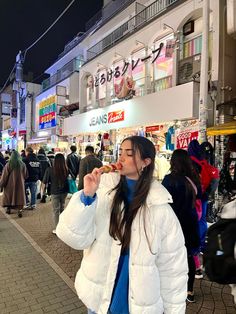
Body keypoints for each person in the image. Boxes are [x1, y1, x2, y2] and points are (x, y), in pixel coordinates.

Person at [56, 136, 188, 314]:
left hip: (138, 304)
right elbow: (73, 238)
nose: (121, 158)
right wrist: (87, 196)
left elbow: (173, 269)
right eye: (120, 152)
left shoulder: (160, 209)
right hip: (99, 299)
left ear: (146, 162)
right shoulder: (103, 192)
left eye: (129, 154)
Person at [162, 149, 201, 303]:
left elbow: (164, 202)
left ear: (173, 161)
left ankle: (173, 289)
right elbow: (200, 196)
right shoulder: (193, 178)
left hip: (173, 224)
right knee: (190, 256)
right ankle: (189, 290)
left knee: (172, 257)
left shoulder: (168, 180)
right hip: (190, 223)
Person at [42, 153, 68, 234]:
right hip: (64, 192)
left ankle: (58, 229)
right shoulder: (66, 169)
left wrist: (43, 193)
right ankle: (63, 227)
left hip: (54, 192)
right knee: (62, 209)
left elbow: (44, 182)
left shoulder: (49, 169)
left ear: (55, 161)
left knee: (56, 211)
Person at [0, 150, 28, 216]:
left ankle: (9, 209)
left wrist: (1, 184)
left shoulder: (9, 164)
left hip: (9, 185)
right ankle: (20, 210)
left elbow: (5, 176)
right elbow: (25, 175)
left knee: (9, 196)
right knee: (19, 197)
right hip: (20, 185)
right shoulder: (23, 164)